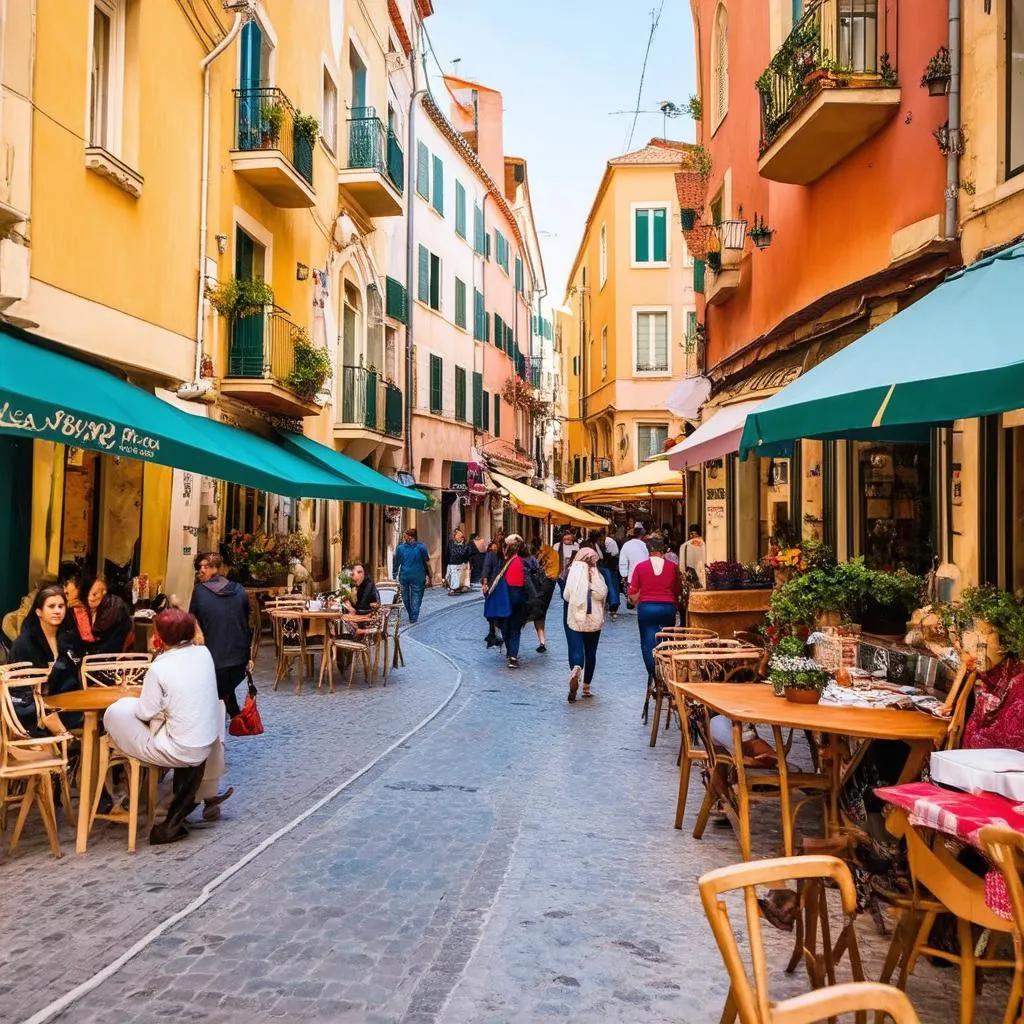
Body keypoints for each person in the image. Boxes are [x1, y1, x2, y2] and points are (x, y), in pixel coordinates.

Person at [103, 609, 226, 845]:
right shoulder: (204, 653)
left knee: (116, 712)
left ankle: (122, 774)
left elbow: (144, 712)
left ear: (160, 637)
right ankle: (171, 813)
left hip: (178, 748)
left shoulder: (160, 667)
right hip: (203, 743)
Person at [189, 553, 252, 719]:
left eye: (206, 566)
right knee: (223, 686)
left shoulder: (199, 592)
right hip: (239, 660)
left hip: (213, 660)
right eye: (199, 567)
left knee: (215, 687)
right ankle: (233, 712)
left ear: (217, 569)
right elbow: (246, 621)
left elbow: (192, 623)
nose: (201, 570)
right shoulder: (239, 590)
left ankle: (218, 719)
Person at [629, 535, 682, 712]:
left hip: (647, 607)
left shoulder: (640, 567)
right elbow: (677, 590)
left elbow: (633, 593)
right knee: (666, 640)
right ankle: (666, 670)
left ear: (649, 550)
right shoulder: (673, 567)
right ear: (663, 549)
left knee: (647, 641)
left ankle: (654, 673)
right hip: (668, 607)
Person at [563, 547, 607, 702]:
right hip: (594, 617)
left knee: (576, 648)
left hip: (576, 617)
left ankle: (576, 669)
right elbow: (602, 592)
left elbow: (566, 595)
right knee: (591, 650)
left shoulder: (573, 571)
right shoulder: (596, 573)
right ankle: (587, 686)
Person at [498, 535, 527, 669]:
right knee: (515, 627)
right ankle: (513, 656)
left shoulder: (504, 562)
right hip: (519, 597)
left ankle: (511, 652)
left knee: (505, 626)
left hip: (505, 597)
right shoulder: (523, 561)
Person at [391, 528, 430, 624]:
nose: (404, 538)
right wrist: (430, 574)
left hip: (405, 576)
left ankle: (411, 614)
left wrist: (394, 572)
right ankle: (413, 616)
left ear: (411, 537)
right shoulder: (422, 547)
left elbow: (396, 562)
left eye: (405, 536)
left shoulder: (400, 548)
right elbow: (427, 562)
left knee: (406, 597)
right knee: (416, 596)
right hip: (418, 576)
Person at [524, 539, 556, 653]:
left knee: (538, 613)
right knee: (540, 614)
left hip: (539, 588)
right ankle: (542, 642)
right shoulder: (538, 556)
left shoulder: (547, 554)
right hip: (542, 587)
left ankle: (542, 642)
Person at [481, 537, 505, 649]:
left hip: (496, 586)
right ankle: (493, 632)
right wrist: (485, 584)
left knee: (493, 609)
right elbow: (486, 570)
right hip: (493, 586)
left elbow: (486, 569)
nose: (496, 546)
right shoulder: (492, 555)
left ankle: (493, 632)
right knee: (493, 609)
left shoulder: (501, 556)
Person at [618, 522, 650, 593]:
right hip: (645, 580)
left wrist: (624, 577)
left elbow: (623, 563)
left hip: (631, 580)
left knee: (632, 601)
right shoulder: (645, 546)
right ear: (642, 534)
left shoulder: (626, 545)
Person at [599, 529, 621, 621]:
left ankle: (609, 604)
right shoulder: (610, 542)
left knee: (607, 585)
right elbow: (615, 553)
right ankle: (613, 604)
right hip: (607, 567)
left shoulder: (607, 542)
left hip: (602, 566)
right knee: (611, 585)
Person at [445, 527, 474, 595]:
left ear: (462, 537)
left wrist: (467, 562)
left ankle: (453, 589)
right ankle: (454, 587)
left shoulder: (465, 545)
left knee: (458, 577)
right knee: (449, 576)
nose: (457, 536)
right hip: (451, 562)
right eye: (456, 535)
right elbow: (448, 553)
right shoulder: (451, 543)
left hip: (461, 563)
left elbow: (465, 553)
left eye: (459, 535)